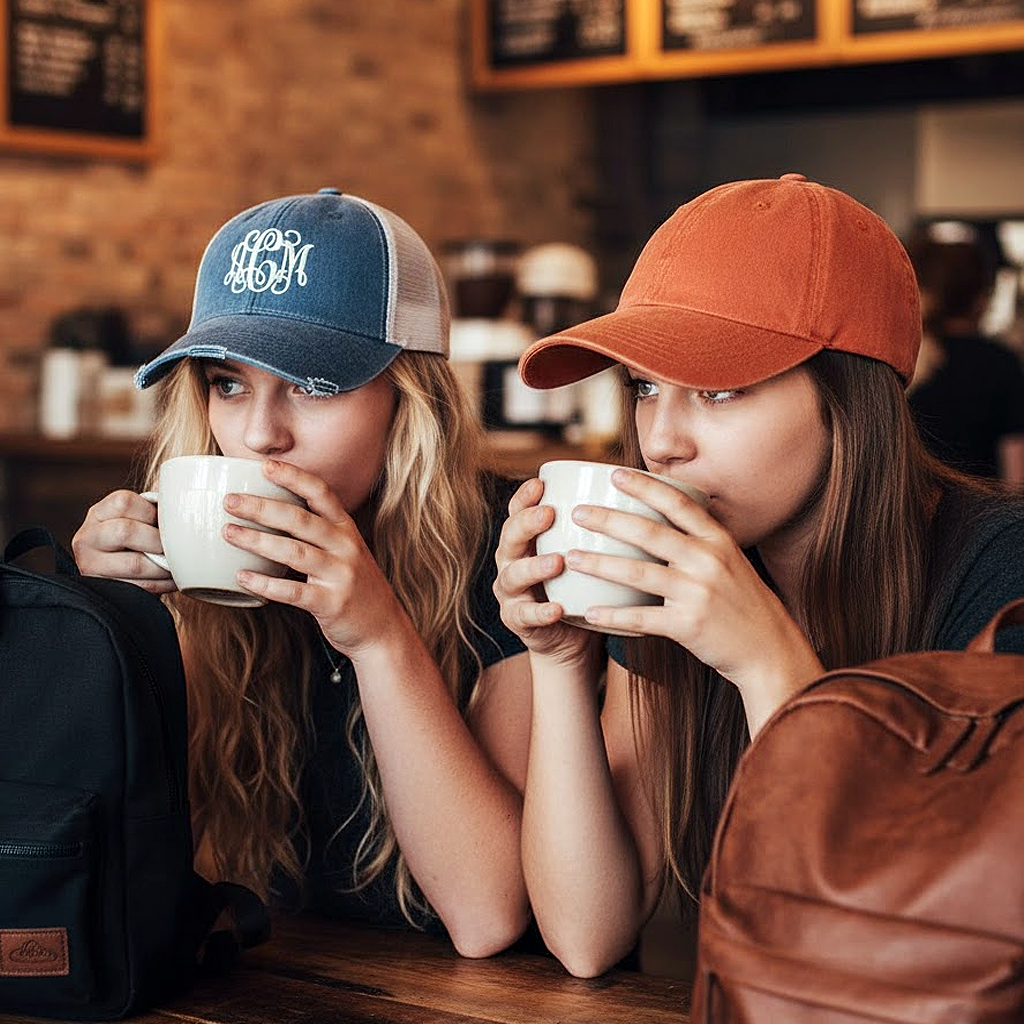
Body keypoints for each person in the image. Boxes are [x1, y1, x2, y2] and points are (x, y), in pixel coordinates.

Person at [492, 173, 1024, 977]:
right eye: (644, 387)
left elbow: (915, 949)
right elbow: (584, 932)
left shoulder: (1000, 574)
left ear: (852, 398)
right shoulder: (678, 576)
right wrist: (561, 664)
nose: (662, 441)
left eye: (717, 389)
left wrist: (765, 662)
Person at [72, 189, 533, 958]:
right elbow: (145, 880)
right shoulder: (199, 564)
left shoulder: (510, 547)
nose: (259, 436)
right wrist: (114, 634)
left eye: (314, 385)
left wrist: (379, 637)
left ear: (409, 396)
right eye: (229, 384)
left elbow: (489, 917)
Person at [905, 227, 1024, 486]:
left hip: (912, 515)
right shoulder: (1002, 363)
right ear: (980, 296)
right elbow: (1015, 475)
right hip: (984, 516)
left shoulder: (908, 358)